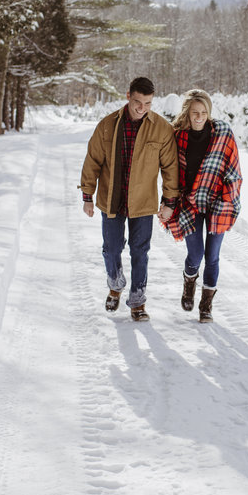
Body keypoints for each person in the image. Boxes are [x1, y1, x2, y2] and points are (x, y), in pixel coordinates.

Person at [79, 77, 179, 322]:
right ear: (128, 96)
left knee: (140, 251)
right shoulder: (107, 125)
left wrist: (169, 201)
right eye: (137, 102)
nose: (141, 108)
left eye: (147, 103)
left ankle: (137, 301)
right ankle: (115, 284)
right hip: (111, 199)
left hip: (143, 202)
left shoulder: (162, 129)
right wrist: (87, 196)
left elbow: (170, 168)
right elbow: (92, 160)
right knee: (111, 249)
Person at [163, 89, 242, 323]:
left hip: (218, 202)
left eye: (203, 112)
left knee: (213, 256)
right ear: (187, 113)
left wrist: (227, 198)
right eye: (195, 112)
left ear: (209, 113)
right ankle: (189, 280)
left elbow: (234, 168)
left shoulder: (222, 133)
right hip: (190, 202)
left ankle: (206, 304)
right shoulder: (178, 137)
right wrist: (168, 201)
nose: (199, 117)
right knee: (195, 254)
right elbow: (171, 173)